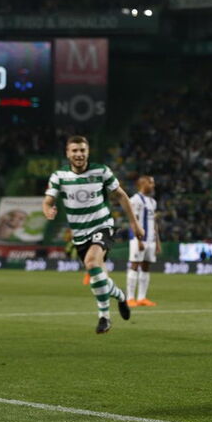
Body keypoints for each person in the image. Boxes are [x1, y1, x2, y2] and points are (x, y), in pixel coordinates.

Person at [43, 135, 144, 334]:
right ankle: (120, 295)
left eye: (82, 150)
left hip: (102, 226)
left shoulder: (101, 171)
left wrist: (134, 223)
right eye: (75, 150)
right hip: (79, 233)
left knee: (91, 262)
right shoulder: (59, 176)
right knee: (97, 274)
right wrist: (48, 210)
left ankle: (104, 317)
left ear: (88, 152)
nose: (79, 154)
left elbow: (121, 196)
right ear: (68, 153)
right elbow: (48, 201)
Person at [126, 175, 161, 307]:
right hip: (138, 239)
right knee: (135, 266)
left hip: (151, 240)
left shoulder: (152, 202)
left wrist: (157, 242)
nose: (153, 185)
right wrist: (138, 239)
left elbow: (154, 223)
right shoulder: (135, 200)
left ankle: (142, 298)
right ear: (142, 184)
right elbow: (132, 221)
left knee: (146, 267)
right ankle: (130, 298)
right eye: (150, 183)